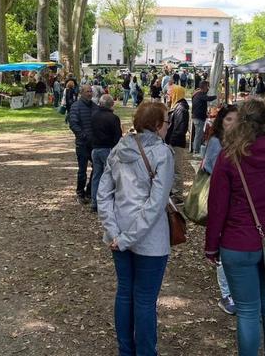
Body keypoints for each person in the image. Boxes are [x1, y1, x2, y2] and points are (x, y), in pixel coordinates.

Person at [204, 99, 265, 356]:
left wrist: (211, 246)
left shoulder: (230, 154)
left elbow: (217, 206)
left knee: (247, 311)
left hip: (237, 241)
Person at [97, 101, 174, 356]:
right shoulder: (162, 153)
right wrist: (124, 236)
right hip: (148, 239)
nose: (168, 126)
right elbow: (156, 204)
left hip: (119, 235)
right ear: (157, 125)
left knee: (126, 295)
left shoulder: (119, 148)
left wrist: (114, 232)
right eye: (167, 121)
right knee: (142, 300)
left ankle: (126, 351)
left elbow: (103, 194)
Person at [201, 104, 239, 315]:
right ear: (221, 121)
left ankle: (235, 291)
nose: (233, 124)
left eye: (236, 120)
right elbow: (208, 166)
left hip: (238, 203)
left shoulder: (243, 142)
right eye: (228, 119)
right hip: (221, 199)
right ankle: (227, 294)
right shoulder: (216, 141)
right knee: (223, 249)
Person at [90, 94, 122, 212]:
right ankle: (108, 201)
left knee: (96, 176)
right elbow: (118, 137)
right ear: (111, 105)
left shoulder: (93, 115)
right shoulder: (113, 118)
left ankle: (94, 201)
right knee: (110, 176)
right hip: (107, 149)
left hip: (95, 148)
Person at [68, 84, 98, 203]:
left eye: (90, 91)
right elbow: (73, 124)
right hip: (82, 144)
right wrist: (83, 136)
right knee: (82, 170)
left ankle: (90, 191)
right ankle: (80, 192)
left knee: (97, 167)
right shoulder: (76, 106)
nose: (89, 93)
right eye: (87, 91)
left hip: (94, 143)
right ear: (81, 93)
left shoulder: (95, 106)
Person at [165, 96, 190, 202]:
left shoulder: (180, 109)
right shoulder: (177, 107)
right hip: (173, 142)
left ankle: (178, 195)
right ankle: (173, 191)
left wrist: (172, 141)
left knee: (176, 169)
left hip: (176, 143)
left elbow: (180, 128)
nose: (168, 97)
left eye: (169, 94)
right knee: (172, 168)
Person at [191, 80, 217, 155]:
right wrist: (216, 96)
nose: (208, 89)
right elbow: (208, 98)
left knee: (199, 133)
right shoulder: (200, 94)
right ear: (204, 87)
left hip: (198, 117)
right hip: (198, 117)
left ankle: (197, 148)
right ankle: (196, 150)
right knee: (198, 134)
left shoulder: (198, 94)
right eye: (207, 87)